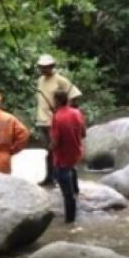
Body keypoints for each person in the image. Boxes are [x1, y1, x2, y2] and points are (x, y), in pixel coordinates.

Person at [35, 54, 82, 187]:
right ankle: (51, 177)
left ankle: (57, 178)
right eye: (41, 67)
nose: (43, 69)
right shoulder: (40, 80)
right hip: (42, 120)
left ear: (52, 66)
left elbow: (74, 95)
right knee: (49, 151)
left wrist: (64, 111)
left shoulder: (60, 80)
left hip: (55, 120)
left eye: (46, 67)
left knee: (55, 150)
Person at [50, 89, 86, 223]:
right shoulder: (77, 112)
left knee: (67, 194)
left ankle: (70, 221)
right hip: (75, 153)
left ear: (57, 101)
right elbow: (83, 134)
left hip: (62, 157)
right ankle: (76, 190)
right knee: (72, 170)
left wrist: (50, 148)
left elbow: (55, 142)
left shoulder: (57, 117)